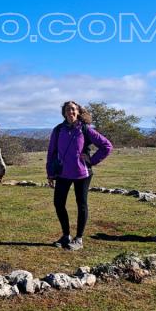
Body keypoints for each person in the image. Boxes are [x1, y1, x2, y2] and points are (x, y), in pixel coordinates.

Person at [46, 101, 113, 251]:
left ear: (78, 112)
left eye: (74, 109)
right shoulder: (58, 130)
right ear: (64, 113)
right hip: (63, 173)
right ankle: (65, 236)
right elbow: (51, 153)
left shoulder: (85, 129)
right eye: (68, 109)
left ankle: (79, 239)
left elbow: (107, 146)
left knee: (81, 204)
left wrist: (93, 160)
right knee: (58, 203)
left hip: (82, 173)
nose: (71, 112)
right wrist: (50, 173)